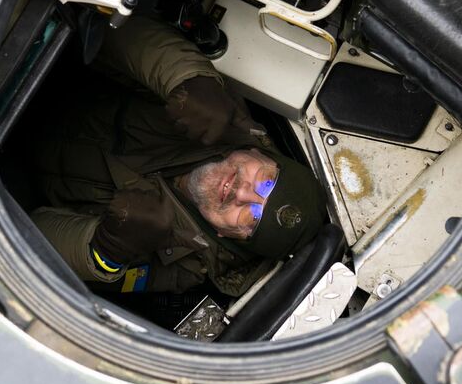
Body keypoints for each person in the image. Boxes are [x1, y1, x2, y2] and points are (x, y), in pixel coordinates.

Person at [31, 15, 328, 297]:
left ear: (227, 235)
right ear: (258, 152)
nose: (241, 193)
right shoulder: (223, 112)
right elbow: (106, 28)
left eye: (252, 218)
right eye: (265, 182)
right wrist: (188, 77)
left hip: (15, 179)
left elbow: (28, 239)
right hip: (44, 63)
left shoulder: (183, 264)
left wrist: (107, 249)